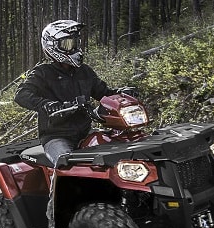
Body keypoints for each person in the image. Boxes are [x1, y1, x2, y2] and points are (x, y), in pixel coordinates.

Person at [14, 19, 138, 166]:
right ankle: (57, 188)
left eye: (74, 42)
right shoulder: (42, 73)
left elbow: (104, 93)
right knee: (66, 163)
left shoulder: (84, 71)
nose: (73, 47)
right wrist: (46, 104)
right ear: (53, 46)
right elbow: (21, 94)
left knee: (115, 154)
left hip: (86, 132)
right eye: (67, 43)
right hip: (57, 137)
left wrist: (121, 93)